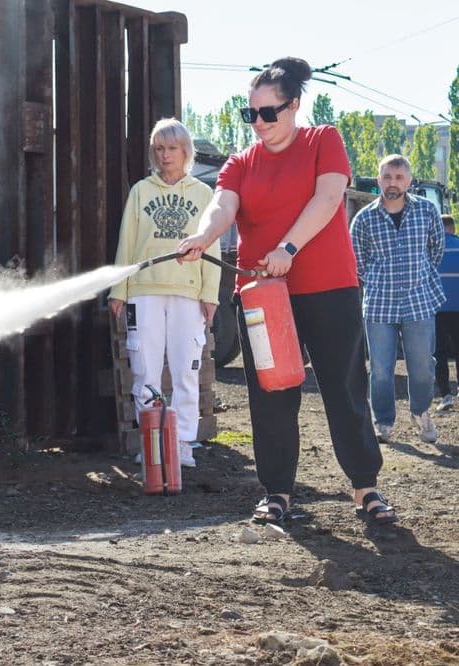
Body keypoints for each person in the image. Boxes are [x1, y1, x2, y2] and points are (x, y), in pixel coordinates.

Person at [177, 57, 396, 525]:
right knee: (270, 394)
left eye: (267, 113)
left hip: (329, 288)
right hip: (262, 296)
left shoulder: (323, 140)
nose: (258, 123)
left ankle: (366, 489)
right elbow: (222, 204)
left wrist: (288, 247)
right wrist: (203, 235)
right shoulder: (241, 161)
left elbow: (329, 197)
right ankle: (276, 492)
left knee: (343, 387)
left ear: (294, 106)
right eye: (249, 114)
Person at [108, 118, 220, 468]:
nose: (165, 155)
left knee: (186, 371)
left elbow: (212, 248)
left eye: (172, 148)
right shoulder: (141, 191)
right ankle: (152, 443)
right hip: (144, 291)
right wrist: (119, 288)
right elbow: (127, 241)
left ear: (186, 151)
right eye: (159, 148)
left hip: (188, 293)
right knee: (146, 370)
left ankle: (183, 442)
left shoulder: (203, 195)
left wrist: (210, 294)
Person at [350, 154, 443, 444]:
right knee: (380, 370)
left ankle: (420, 411)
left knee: (423, 366)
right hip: (379, 305)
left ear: (409, 181)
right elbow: (357, 261)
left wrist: (419, 275)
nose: (393, 183)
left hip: (419, 302)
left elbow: (435, 250)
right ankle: (384, 422)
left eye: (399, 177)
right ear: (379, 180)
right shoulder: (363, 218)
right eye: (388, 177)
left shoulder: (427, 212)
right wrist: (380, 280)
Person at [434, 214, 459, 412]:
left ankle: (445, 395)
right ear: (453, 228)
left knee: (439, 353)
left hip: (437, 310)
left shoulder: (432, 251)